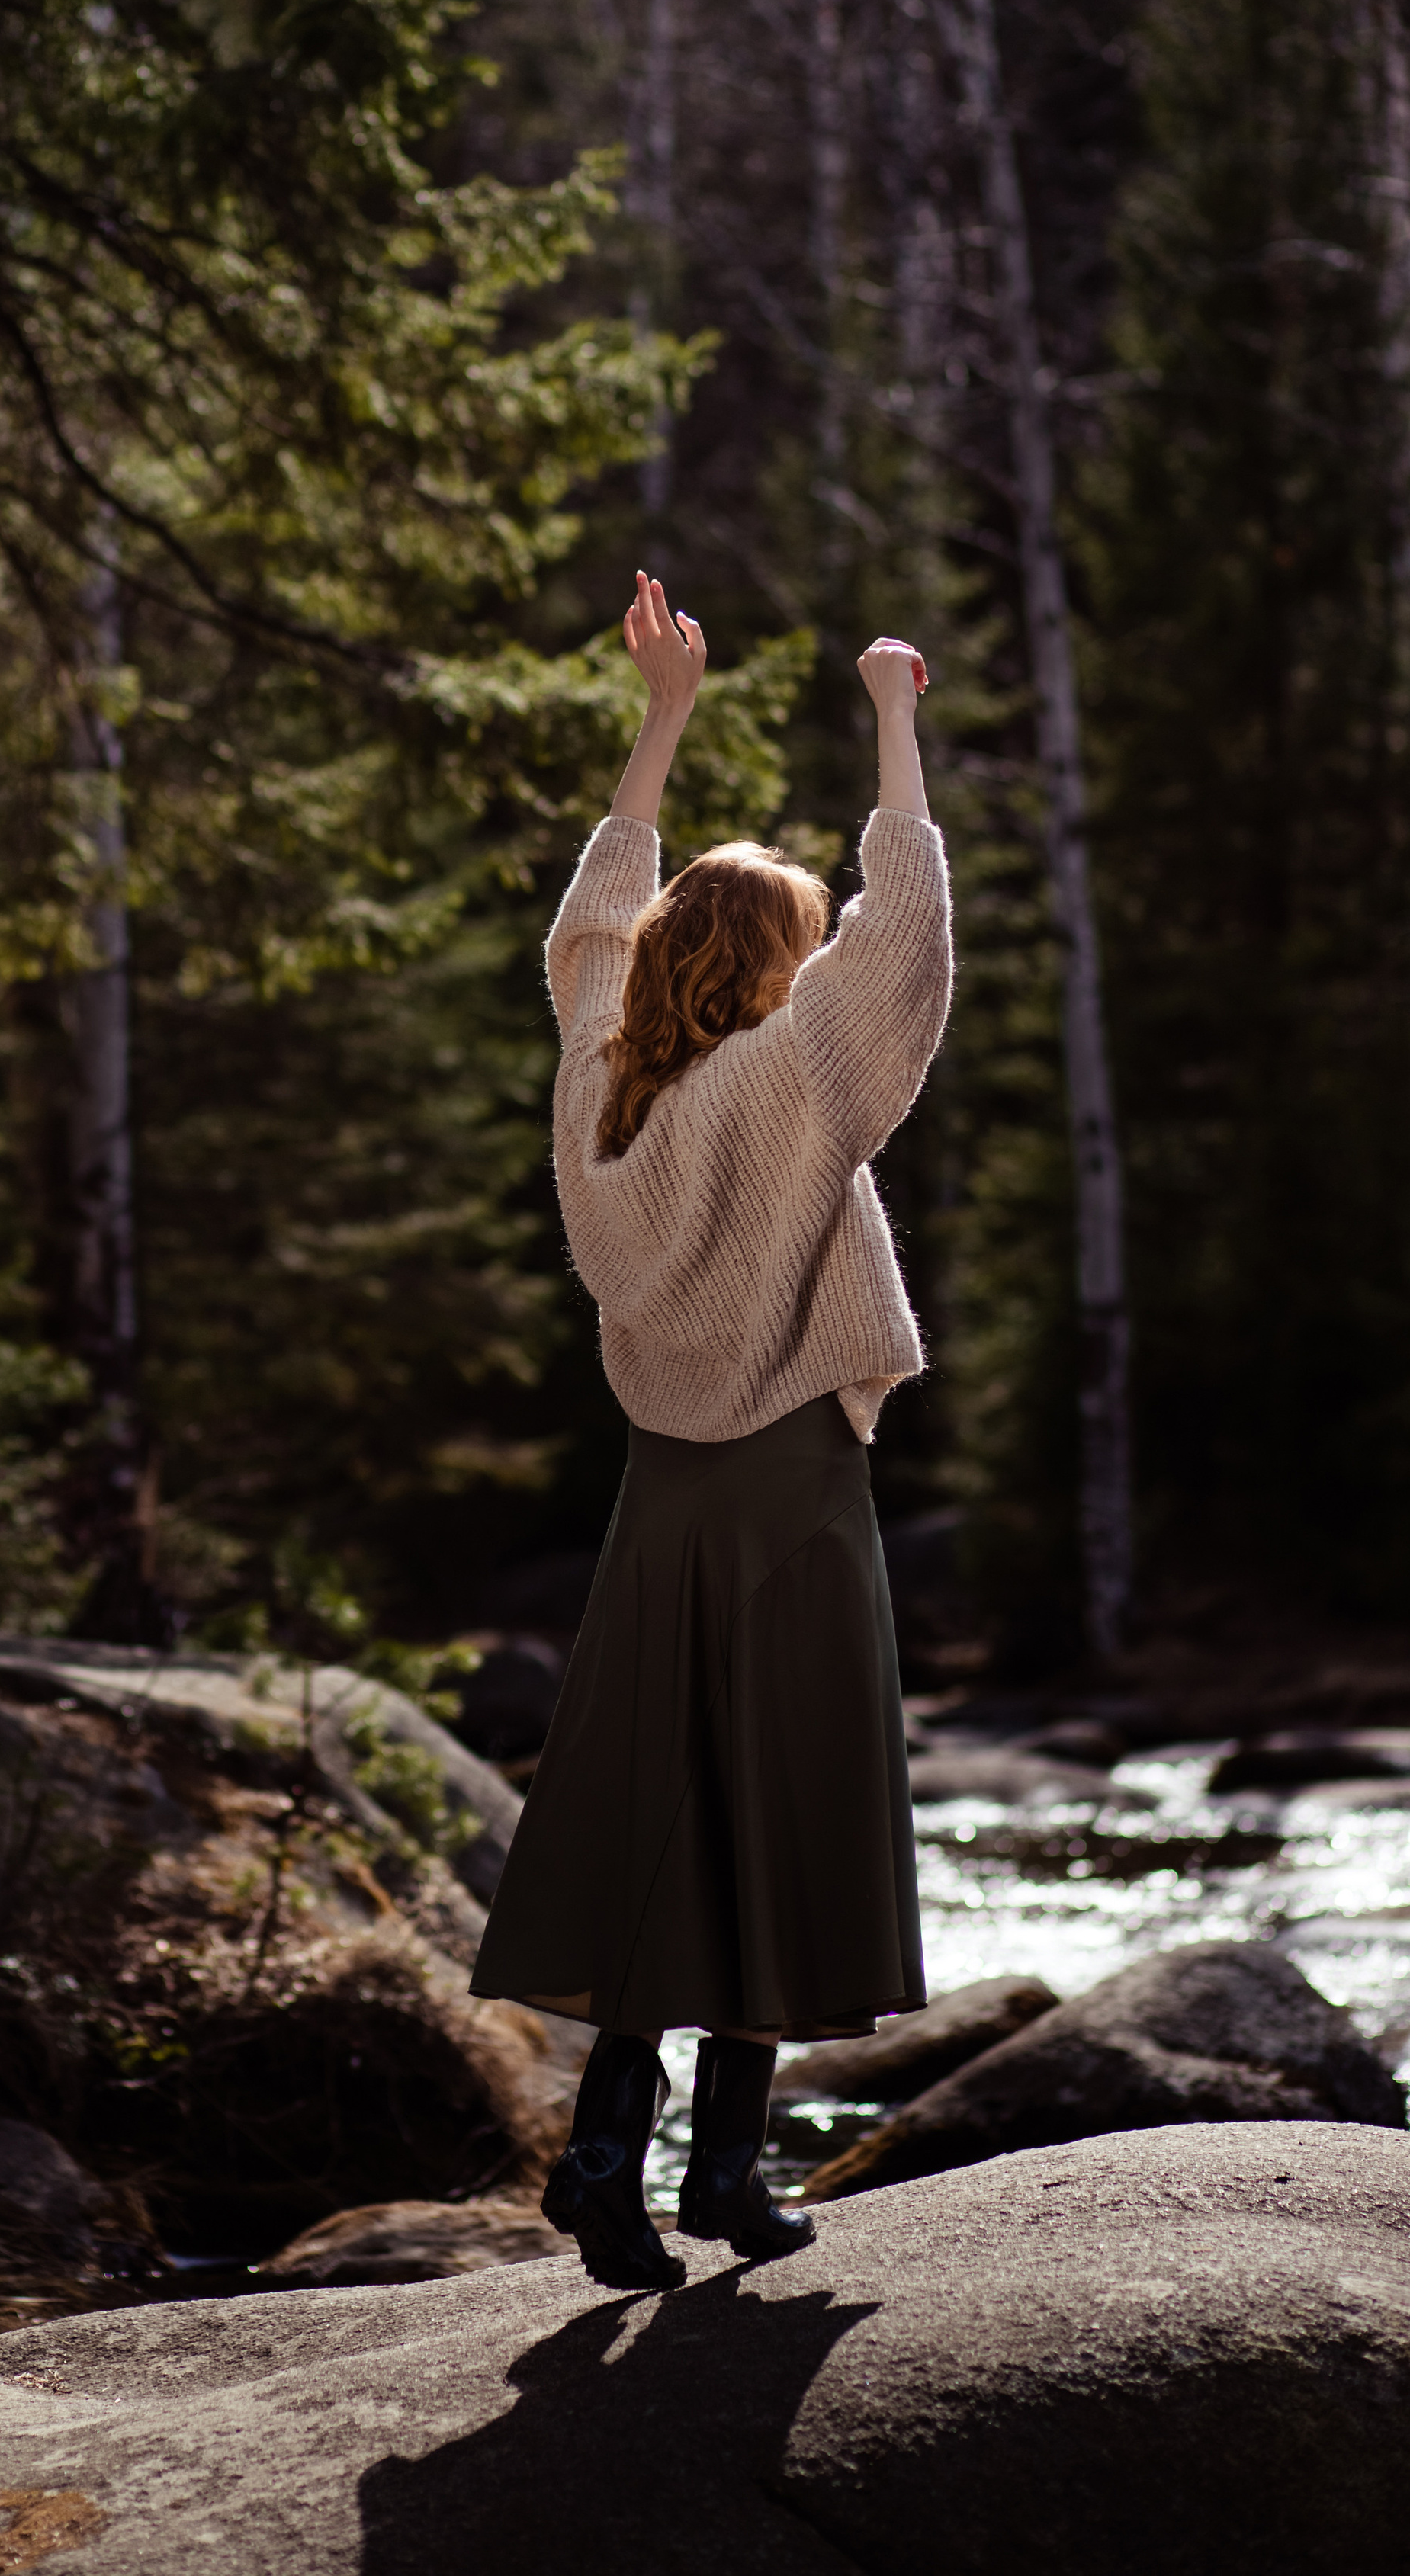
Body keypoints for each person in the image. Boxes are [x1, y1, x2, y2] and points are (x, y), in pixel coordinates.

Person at [469, 571, 952, 2293]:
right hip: (791, 1494)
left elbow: (583, 936)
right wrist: (890, 714)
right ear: (767, 965)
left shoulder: (600, 1078)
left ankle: (609, 2157)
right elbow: (901, 944)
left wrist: (660, 720)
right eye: (796, 940)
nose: (820, 956)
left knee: (661, 1809)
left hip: (659, 1495)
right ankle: (729, 2177)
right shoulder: (794, 1077)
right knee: (785, 1809)